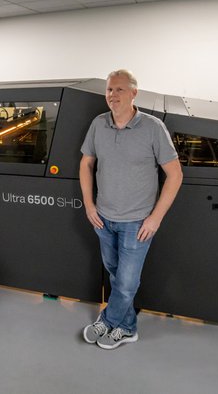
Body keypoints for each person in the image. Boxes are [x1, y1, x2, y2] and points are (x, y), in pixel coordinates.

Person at [79, 69, 183, 350]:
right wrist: (89, 205)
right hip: (103, 219)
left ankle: (108, 320)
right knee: (116, 275)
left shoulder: (152, 127)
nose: (113, 95)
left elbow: (175, 174)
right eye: (109, 89)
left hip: (137, 223)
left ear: (134, 93)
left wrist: (155, 219)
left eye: (120, 89)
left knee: (126, 282)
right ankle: (127, 328)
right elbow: (86, 164)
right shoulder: (98, 124)